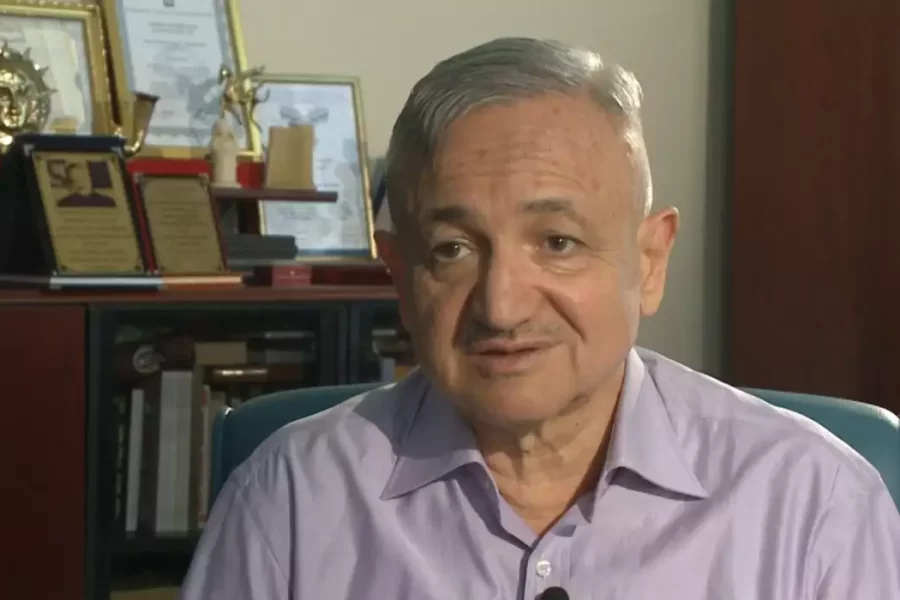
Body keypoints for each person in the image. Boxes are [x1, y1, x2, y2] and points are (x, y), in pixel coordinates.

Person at [180, 37, 900, 599]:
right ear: (400, 273)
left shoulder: (813, 503)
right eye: (453, 249)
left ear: (650, 262)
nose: (502, 307)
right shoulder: (291, 500)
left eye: (557, 243)